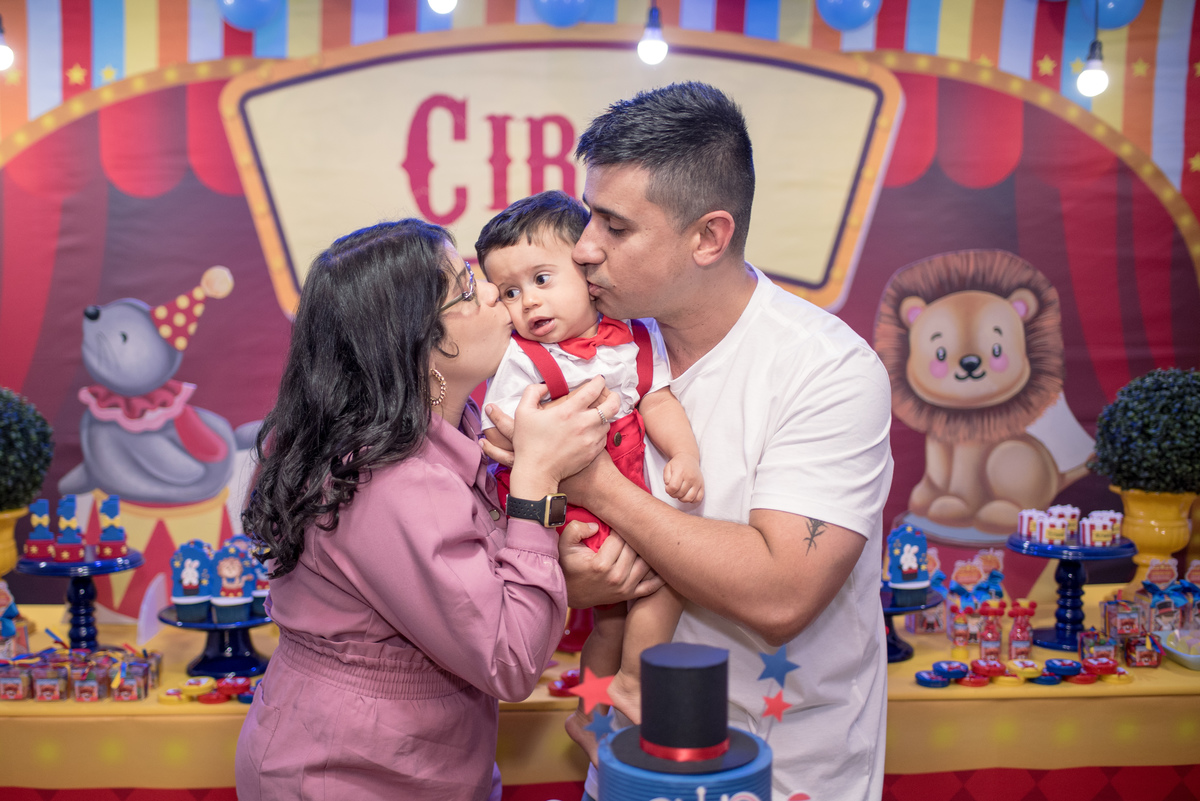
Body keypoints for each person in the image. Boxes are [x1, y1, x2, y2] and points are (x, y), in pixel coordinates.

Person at [484, 83, 894, 801]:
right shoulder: (577, 357)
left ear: (707, 236)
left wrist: (591, 483)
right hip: (624, 756)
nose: (583, 247)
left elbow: (782, 592)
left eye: (614, 227)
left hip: (784, 765)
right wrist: (568, 579)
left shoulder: (825, 368)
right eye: (588, 220)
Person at [234, 218, 624, 801]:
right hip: (350, 770)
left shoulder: (446, 432)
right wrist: (538, 483)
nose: (494, 290)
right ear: (418, 344)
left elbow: (467, 593)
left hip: (423, 756)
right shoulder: (392, 479)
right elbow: (510, 658)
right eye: (467, 287)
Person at [475, 190, 703, 724]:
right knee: (666, 582)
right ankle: (631, 684)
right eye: (508, 291)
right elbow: (498, 433)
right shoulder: (521, 357)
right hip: (562, 514)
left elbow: (658, 399)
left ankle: (592, 710)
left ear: (586, 272)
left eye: (541, 279)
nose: (528, 302)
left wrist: (684, 454)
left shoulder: (634, 340)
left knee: (617, 619)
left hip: (625, 500)